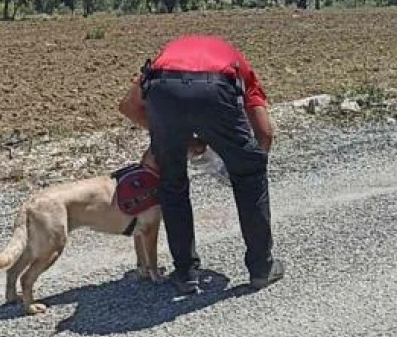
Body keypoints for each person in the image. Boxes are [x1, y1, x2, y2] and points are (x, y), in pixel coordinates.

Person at [118, 34, 284, 295]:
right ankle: (261, 268)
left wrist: (173, 139)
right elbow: (265, 133)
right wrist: (247, 167)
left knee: (171, 184)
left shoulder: (165, 59)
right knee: (250, 174)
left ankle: (185, 274)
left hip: (164, 87)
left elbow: (128, 106)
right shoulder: (239, 65)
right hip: (215, 89)